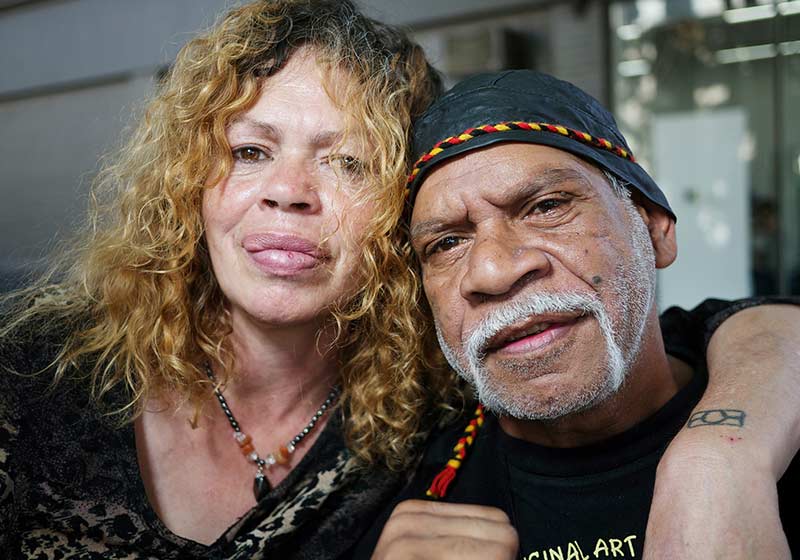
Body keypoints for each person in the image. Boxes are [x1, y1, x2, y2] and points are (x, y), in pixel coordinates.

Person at [0, 2, 797, 559]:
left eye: (348, 162)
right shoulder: (29, 372)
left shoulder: (417, 411)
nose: (494, 267)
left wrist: (723, 454)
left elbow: (744, 325)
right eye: (249, 150)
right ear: (189, 184)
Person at [358, 70, 800, 559]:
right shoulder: (394, 498)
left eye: (546, 206)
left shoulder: (774, 415)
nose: (492, 270)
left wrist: (717, 463)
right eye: (446, 243)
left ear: (655, 228)